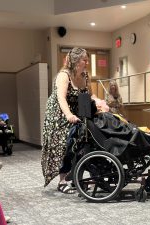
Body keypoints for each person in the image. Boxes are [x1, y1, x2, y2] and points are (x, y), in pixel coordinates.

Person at [41, 47, 109, 194]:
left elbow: (89, 95)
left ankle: (80, 175)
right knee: (66, 143)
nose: (87, 63)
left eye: (87, 60)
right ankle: (62, 181)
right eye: (84, 60)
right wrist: (68, 115)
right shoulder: (64, 75)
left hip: (77, 110)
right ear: (75, 61)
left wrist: (99, 102)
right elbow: (61, 98)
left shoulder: (84, 75)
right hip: (58, 113)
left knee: (84, 140)